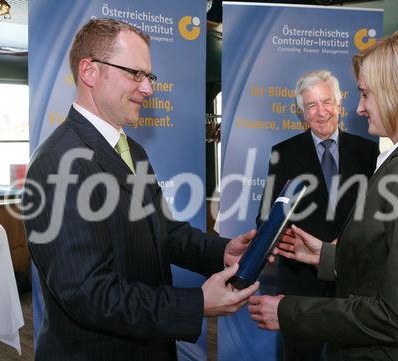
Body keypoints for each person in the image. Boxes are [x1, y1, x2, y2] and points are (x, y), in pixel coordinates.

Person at [22, 18, 259, 361]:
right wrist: (195, 305)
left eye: (149, 77)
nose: (148, 89)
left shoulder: (132, 150)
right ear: (89, 72)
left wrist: (221, 251)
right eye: (135, 74)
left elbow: (162, 229)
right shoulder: (58, 163)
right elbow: (89, 294)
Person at [249, 30, 398, 361]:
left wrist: (289, 312)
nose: (359, 108)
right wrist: (325, 256)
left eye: (365, 94)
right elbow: (394, 262)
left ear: (396, 93)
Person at [256, 70, 378, 360]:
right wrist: (283, 239)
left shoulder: (369, 153)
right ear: (302, 112)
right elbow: (266, 217)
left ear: (339, 103)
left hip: (351, 279)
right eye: (311, 106)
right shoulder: (283, 153)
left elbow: (378, 217)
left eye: (326, 102)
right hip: (300, 282)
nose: (321, 112)